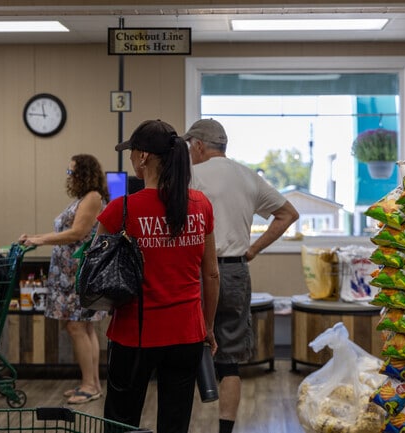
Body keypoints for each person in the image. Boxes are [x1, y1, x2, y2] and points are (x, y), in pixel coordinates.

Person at [99, 119, 219, 433]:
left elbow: (95, 268)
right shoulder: (200, 205)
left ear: (142, 157)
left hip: (134, 333)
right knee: (175, 423)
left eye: (131, 152)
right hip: (187, 333)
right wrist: (207, 325)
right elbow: (212, 274)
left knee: (120, 422)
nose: (129, 158)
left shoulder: (120, 209)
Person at [183, 118, 299, 433]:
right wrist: (253, 249)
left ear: (198, 145)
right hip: (234, 270)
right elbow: (288, 214)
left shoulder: (189, 175)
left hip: (194, 271)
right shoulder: (248, 176)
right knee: (230, 360)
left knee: (182, 351)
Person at [19, 154, 108, 404]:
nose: (69, 177)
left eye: (72, 172)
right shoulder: (83, 198)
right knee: (83, 326)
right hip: (68, 273)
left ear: (85, 174)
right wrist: (34, 236)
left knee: (77, 326)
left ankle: (90, 384)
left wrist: (40, 240)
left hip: (76, 273)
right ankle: (92, 383)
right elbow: (65, 231)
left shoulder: (92, 197)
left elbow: (77, 233)